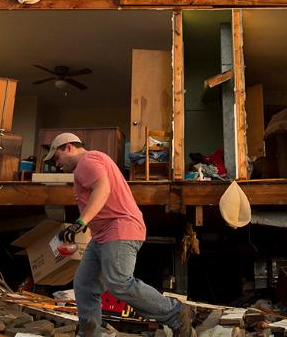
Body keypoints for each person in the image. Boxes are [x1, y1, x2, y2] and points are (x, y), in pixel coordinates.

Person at [44, 133, 195, 337]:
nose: (57, 164)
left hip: (119, 228)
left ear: (69, 147)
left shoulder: (86, 162)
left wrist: (81, 222)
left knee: (118, 282)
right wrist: (85, 224)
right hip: (103, 234)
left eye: (57, 157)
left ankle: (175, 313)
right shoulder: (94, 160)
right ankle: (89, 334)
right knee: (85, 285)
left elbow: (103, 188)